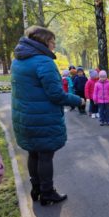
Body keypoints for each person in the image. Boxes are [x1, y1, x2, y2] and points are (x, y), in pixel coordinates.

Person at [11, 25, 84, 205]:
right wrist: (79, 100)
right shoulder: (43, 62)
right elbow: (56, 94)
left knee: (33, 154)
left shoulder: (18, 61)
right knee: (45, 156)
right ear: (43, 42)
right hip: (41, 118)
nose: (54, 46)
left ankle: (36, 189)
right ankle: (47, 193)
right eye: (52, 42)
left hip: (24, 118)